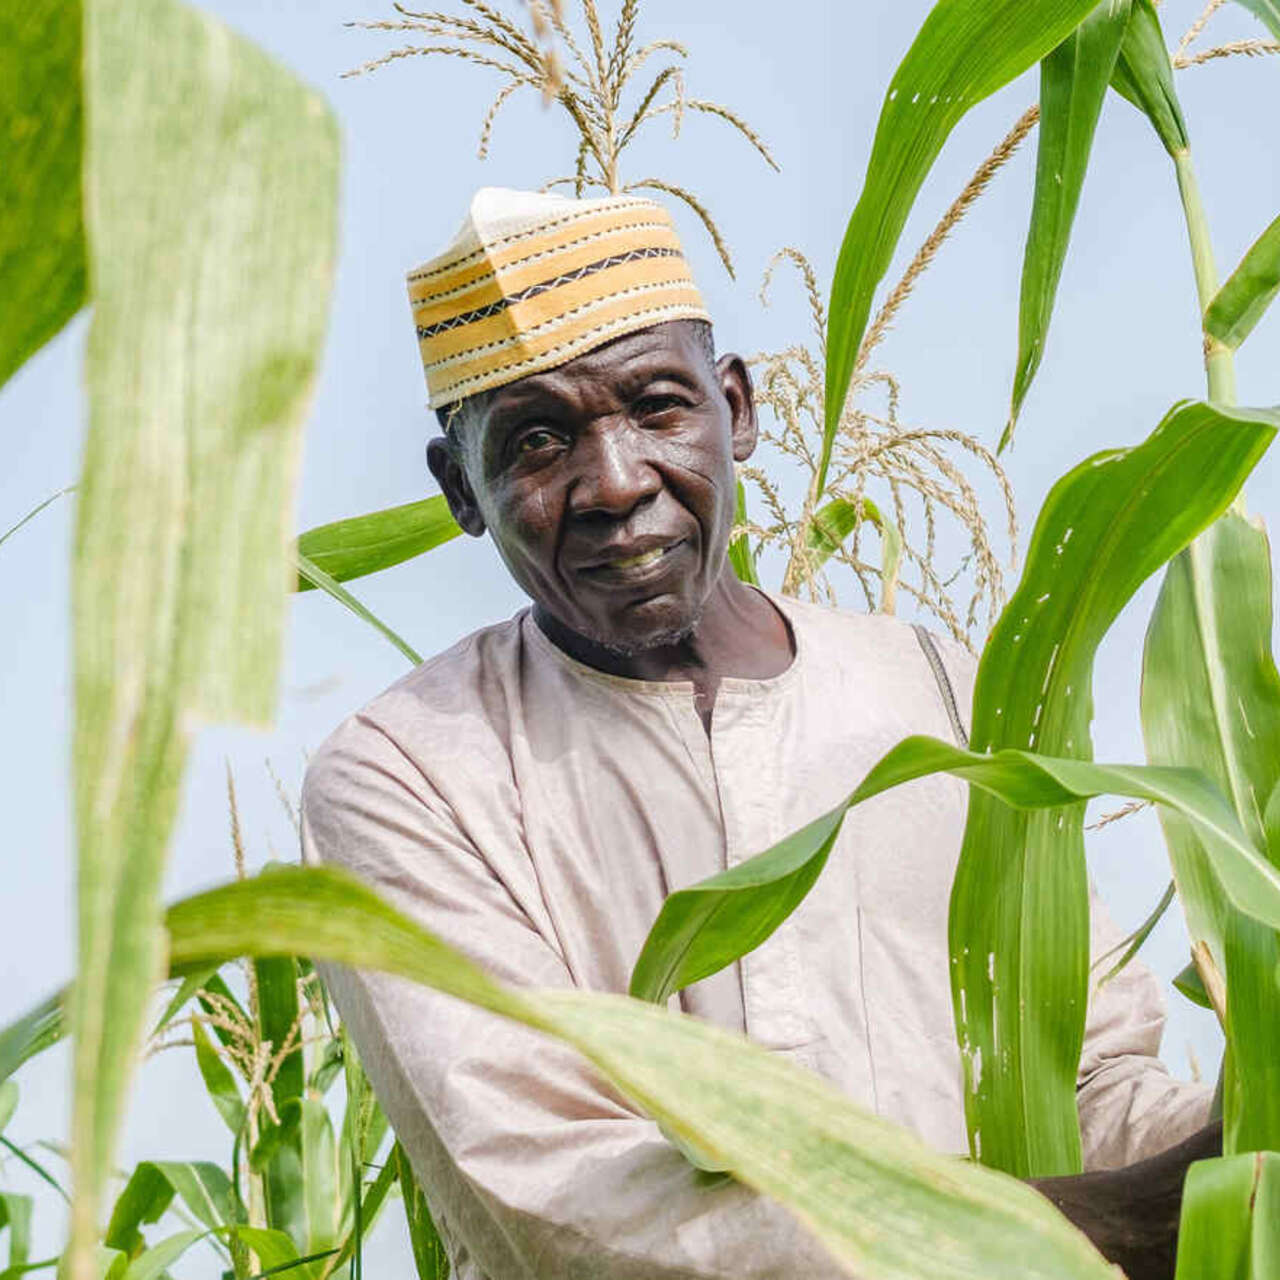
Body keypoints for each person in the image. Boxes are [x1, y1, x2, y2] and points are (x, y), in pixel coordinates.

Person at [301, 187, 1214, 1279]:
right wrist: (1092, 1229)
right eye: (536, 440)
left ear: (734, 407)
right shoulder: (408, 773)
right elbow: (556, 1204)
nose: (615, 481)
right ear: (461, 488)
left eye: (655, 404)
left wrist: (1224, 1157)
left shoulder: (942, 691)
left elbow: (1090, 1080)